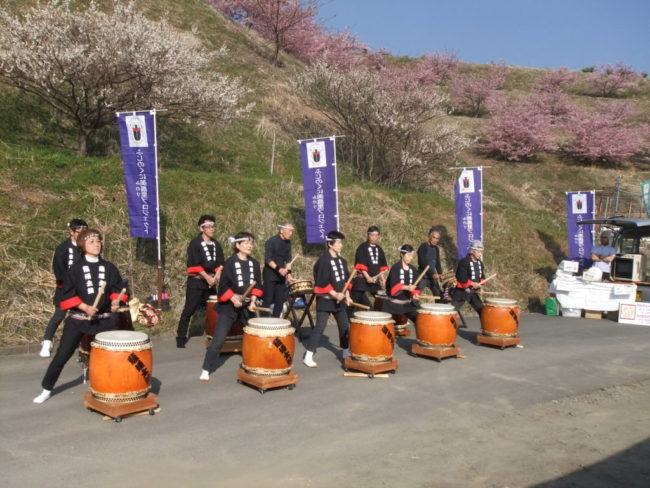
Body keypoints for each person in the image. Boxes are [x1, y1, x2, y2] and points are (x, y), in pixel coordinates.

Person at [33, 229, 127, 404]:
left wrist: (116, 302)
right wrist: (84, 307)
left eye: (98, 241)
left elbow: (117, 288)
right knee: (62, 355)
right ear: (83, 245)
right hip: (78, 319)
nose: (96, 244)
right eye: (91, 242)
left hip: (104, 319)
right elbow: (67, 294)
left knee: (113, 355)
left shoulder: (109, 267)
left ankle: (114, 387)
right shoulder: (75, 269)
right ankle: (47, 388)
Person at [200, 232, 263, 381]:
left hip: (247, 305)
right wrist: (234, 298)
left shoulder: (254, 263)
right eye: (246, 243)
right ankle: (206, 368)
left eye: (251, 243)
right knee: (219, 340)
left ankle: (255, 364)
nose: (249, 245)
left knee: (253, 337)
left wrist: (253, 301)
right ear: (237, 245)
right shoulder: (229, 263)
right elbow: (223, 287)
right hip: (229, 305)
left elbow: (258, 285)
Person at [303, 230, 352, 367]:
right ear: (330, 244)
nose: (341, 245)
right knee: (320, 327)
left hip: (340, 300)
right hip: (325, 300)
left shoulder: (342, 261)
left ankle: (345, 351)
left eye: (341, 242)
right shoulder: (323, 260)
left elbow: (346, 281)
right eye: (339, 243)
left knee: (344, 326)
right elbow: (321, 283)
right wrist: (335, 294)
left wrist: (347, 295)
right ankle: (308, 355)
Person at [40, 218, 88, 357]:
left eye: (85, 231)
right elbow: (58, 270)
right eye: (80, 232)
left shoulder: (85, 247)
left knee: (81, 316)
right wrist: (68, 286)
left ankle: (83, 345)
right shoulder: (62, 248)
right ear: (71, 232)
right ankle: (47, 341)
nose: (82, 234)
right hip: (65, 288)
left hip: (82, 289)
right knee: (58, 316)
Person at [176, 215, 225, 348]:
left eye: (213, 226)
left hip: (211, 282)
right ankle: (180, 338)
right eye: (208, 226)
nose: (211, 229)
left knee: (214, 308)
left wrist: (217, 275)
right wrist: (208, 277)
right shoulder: (195, 243)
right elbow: (194, 264)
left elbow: (220, 263)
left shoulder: (216, 244)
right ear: (201, 228)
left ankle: (214, 335)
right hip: (197, 282)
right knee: (189, 310)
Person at [350, 226, 389, 310]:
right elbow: (360, 264)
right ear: (368, 235)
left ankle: (380, 317)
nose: (374, 237)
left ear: (378, 236)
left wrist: (382, 279)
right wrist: (367, 277)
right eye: (372, 235)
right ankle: (348, 317)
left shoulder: (380, 249)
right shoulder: (362, 247)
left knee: (382, 300)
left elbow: (382, 267)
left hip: (374, 281)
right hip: (362, 279)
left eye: (376, 235)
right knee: (354, 300)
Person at [262, 222, 295, 317]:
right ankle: (263, 322)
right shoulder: (271, 241)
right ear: (281, 230)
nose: (291, 233)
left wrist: (289, 274)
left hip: (281, 275)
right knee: (268, 299)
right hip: (270, 274)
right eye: (289, 231)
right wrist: (279, 269)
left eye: (292, 231)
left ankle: (276, 320)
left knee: (280, 300)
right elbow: (268, 259)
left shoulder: (288, 242)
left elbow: (288, 260)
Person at [381, 245, 422, 323]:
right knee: (385, 328)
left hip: (407, 304)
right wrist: (407, 287)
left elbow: (416, 286)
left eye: (412, 256)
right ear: (401, 255)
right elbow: (393, 287)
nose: (411, 258)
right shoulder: (395, 268)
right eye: (408, 255)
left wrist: (415, 294)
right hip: (392, 304)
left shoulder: (413, 269)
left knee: (420, 321)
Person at [451, 240, 486, 319]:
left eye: (481, 252)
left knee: (483, 312)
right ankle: (444, 329)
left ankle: (485, 330)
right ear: (472, 251)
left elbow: (482, 277)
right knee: (451, 313)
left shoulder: (480, 263)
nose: (480, 254)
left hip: (473, 292)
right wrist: (472, 283)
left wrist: (480, 288)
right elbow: (461, 278)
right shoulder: (464, 262)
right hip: (461, 291)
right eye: (478, 252)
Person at [417, 227, 443, 299]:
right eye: (434, 237)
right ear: (429, 236)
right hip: (422, 275)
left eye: (437, 238)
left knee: (439, 296)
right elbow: (422, 262)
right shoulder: (423, 247)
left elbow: (437, 263)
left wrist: (440, 274)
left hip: (432, 277)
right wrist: (432, 274)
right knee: (415, 295)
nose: (435, 240)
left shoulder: (436, 249)